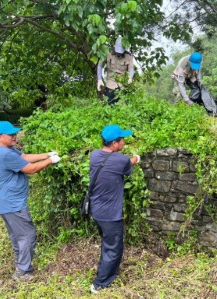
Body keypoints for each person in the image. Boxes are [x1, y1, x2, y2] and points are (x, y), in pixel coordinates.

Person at [0, 121, 61, 282]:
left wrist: (47, 154)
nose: (15, 136)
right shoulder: (4, 154)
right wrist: (51, 161)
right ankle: (23, 272)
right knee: (27, 235)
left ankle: (20, 264)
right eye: (11, 134)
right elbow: (31, 169)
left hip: (4, 202)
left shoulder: (3, 149)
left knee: (17, 235)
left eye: (15, 133)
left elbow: (24, 157)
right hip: (12, 203)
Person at [89, 124, 140, 294]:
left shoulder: (94, 155)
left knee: (107, 242)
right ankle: (99, 284)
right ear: (114, 144)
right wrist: (136, 159)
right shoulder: (121, 160)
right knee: (113, 248)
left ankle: (110, 271)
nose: (124, 141)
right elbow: (128, 166)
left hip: (96, 211)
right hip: (110, 215)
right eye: (122, 139)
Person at [97, 36, 135, 105]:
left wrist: (130, 77)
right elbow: (100, 65)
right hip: (110, 84)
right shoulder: (107, 53)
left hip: (123, 85)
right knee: (108, 105)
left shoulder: (128, 56)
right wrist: (99, 79)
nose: (119, 53)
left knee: (123, 106)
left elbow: (131, 69)